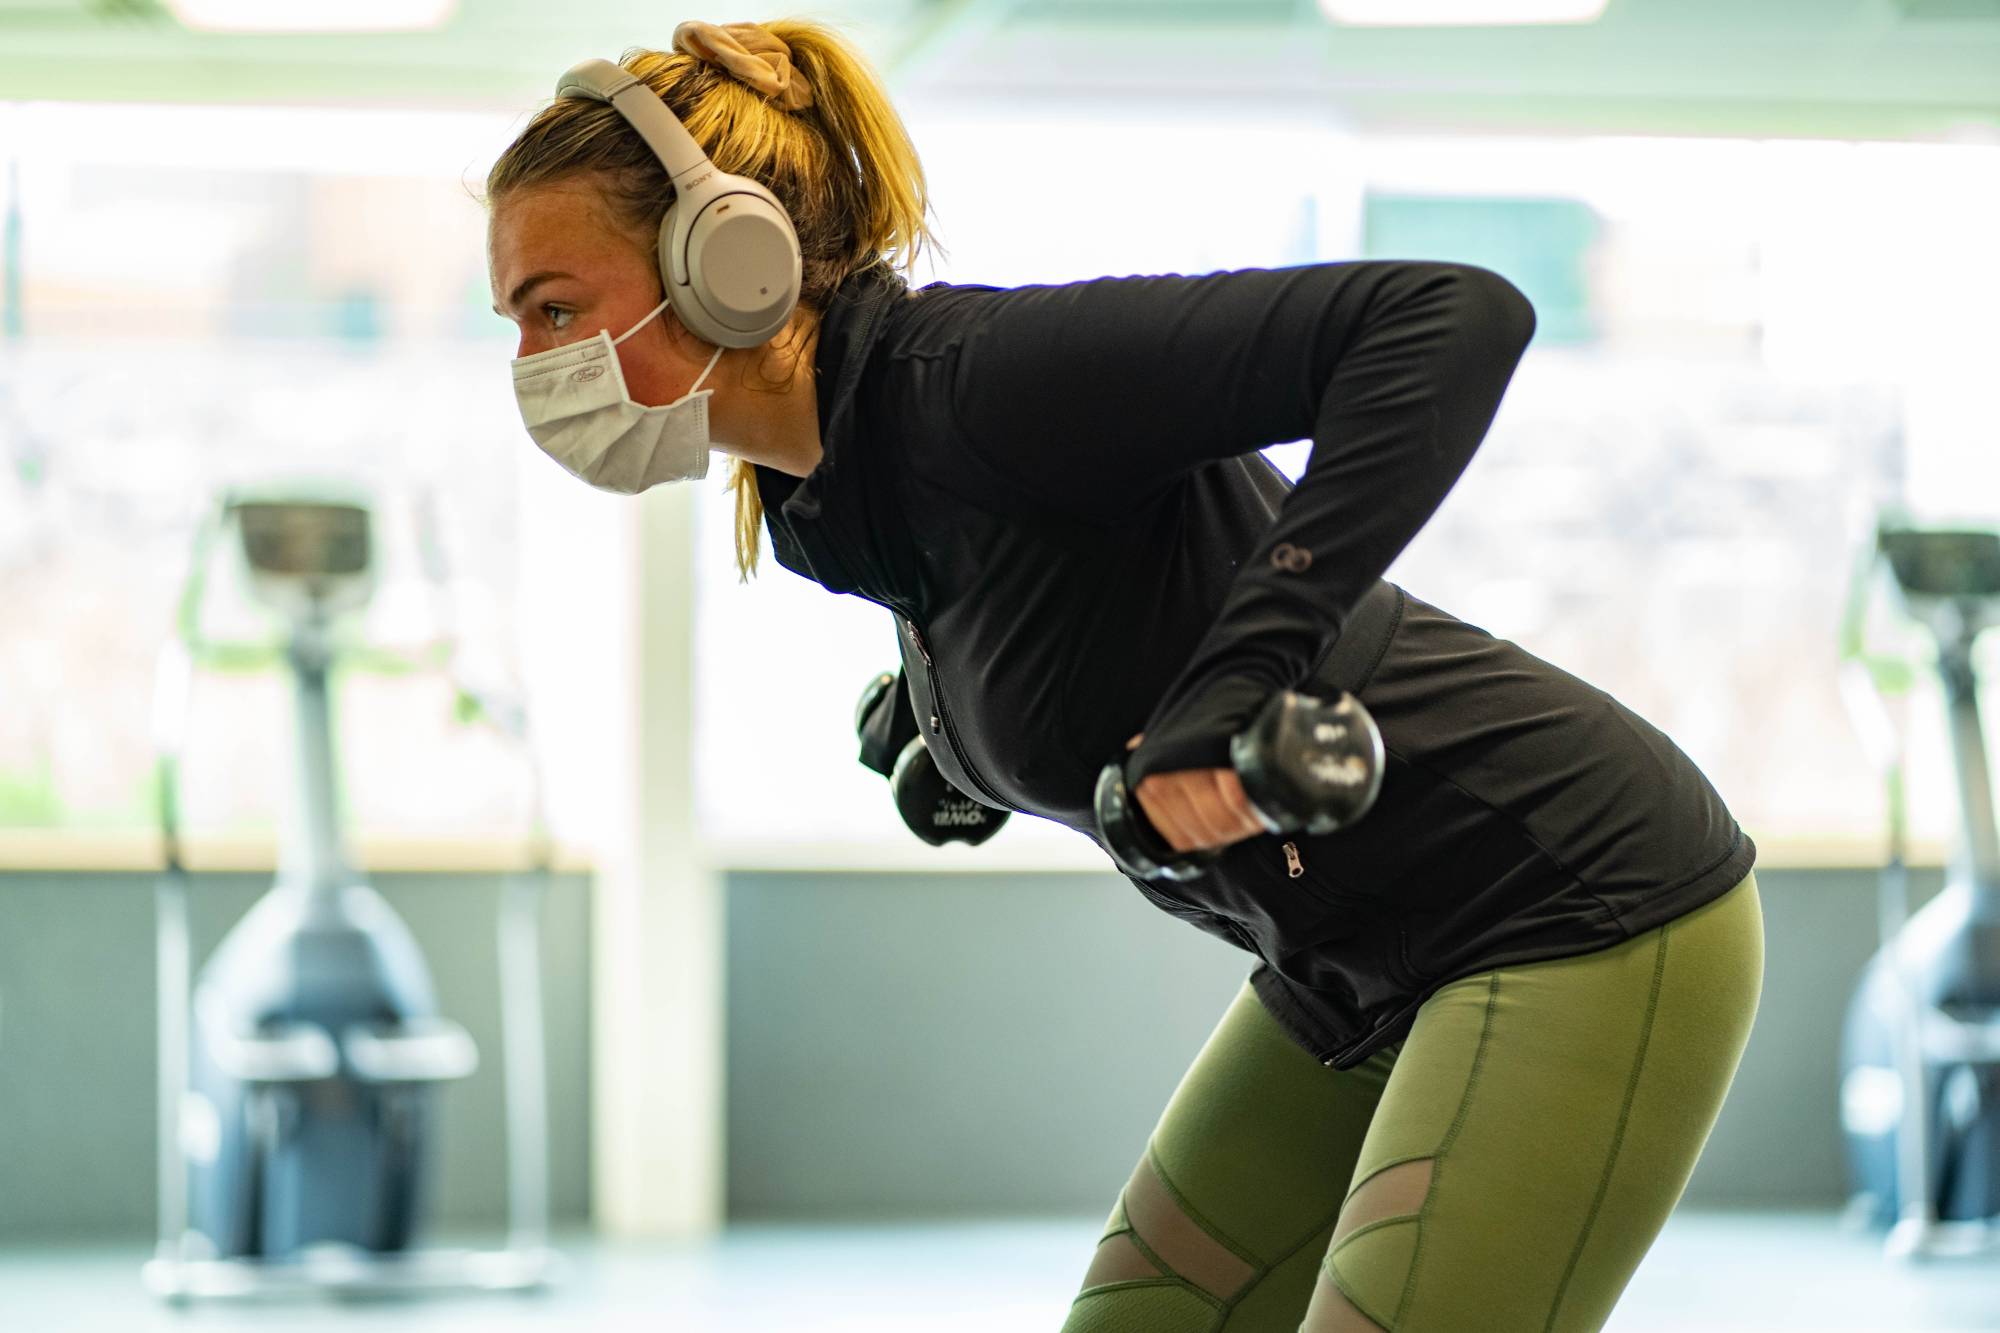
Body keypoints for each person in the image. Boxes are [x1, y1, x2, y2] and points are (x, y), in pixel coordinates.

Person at [484, 19, 1764, 1332]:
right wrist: (954, 743)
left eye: (558, 310)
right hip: (1341, 957)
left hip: (1567, 896)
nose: (535, 369)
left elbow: (1447, 316)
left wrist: (1236, 681)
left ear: (726, 264)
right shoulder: (828, 505)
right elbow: (1057, 593)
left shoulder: (981, 383)